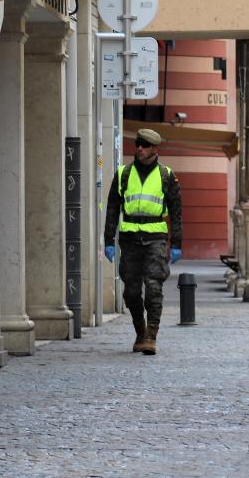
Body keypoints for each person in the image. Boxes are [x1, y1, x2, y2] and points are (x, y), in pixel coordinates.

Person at [103, 128, 183, 355]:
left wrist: (176, 243)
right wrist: (108, 239)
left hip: (155, 237)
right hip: (129, 239)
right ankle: (140, 329)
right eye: (138, 143)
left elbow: (176, 212)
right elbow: (112, 209)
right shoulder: (123, 174)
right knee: (130, 292)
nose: (139, 148)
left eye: (145, 145)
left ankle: (151, 336)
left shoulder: (167, 175)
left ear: (155, 149)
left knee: (154, 288)